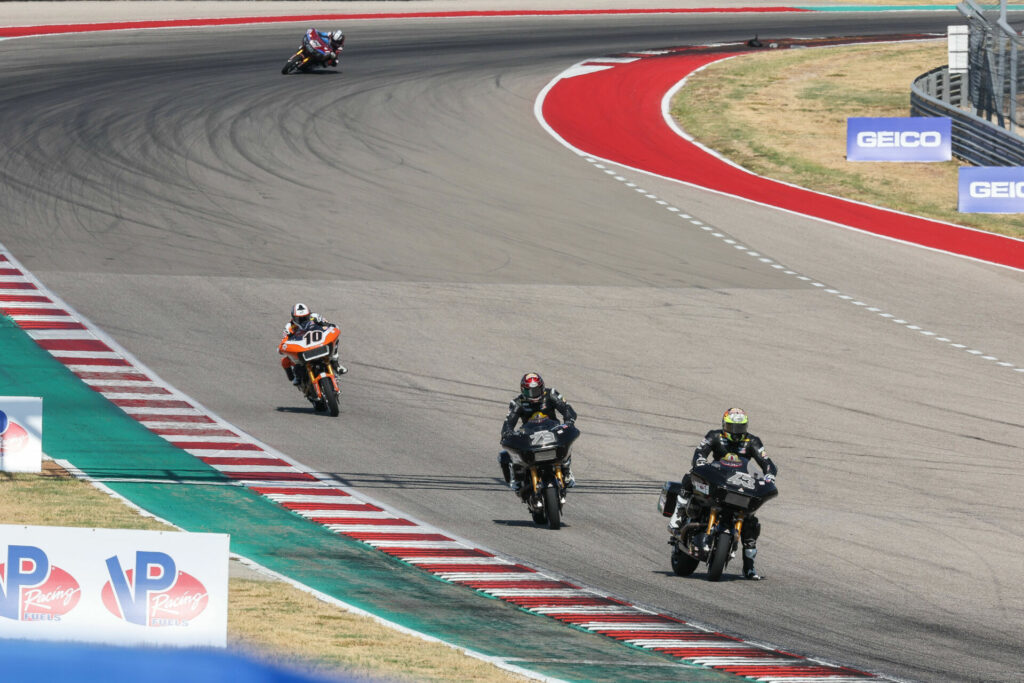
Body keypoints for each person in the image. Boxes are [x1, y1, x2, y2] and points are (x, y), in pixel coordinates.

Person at [669, 407, 777, 580]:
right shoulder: (714, 436)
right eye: (732, 427)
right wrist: (701, 461)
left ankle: (749, 568)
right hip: (717, 478)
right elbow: (699, 452)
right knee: (690, 475)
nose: (736, 432)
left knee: (750, 522)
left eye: (740, 428)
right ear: (724, 425)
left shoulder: (752, 441)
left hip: (739, 483)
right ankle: (678, 515)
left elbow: (767, 462)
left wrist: (770, 474)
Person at [498, 372, 578, 491]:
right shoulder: (518, 403)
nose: (533, 395)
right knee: (507, 453)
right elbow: (508, 423)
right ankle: (516, 478)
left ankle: (566, 469)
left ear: (542, 387)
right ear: (522, 391)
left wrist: (569, 421)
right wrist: (508, 433)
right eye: (529, 392)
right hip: (530, 435)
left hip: (552, 431)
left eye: (536, 390)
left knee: (567, 440)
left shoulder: (551, 394)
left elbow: (567, 410)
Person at [279, 303, 346, 385]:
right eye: (299, 319)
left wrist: (331, 328)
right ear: (293, 318)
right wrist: (282, 348)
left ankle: (336, 364)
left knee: (335, 340)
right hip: (303, 347)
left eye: (305, 317)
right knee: (285, 360)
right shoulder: (289, 326)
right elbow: (284, 341)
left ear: (309, 314)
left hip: (318, 342)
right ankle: (297, 376)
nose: (303, 320)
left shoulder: (315, 317)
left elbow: (328, 325)